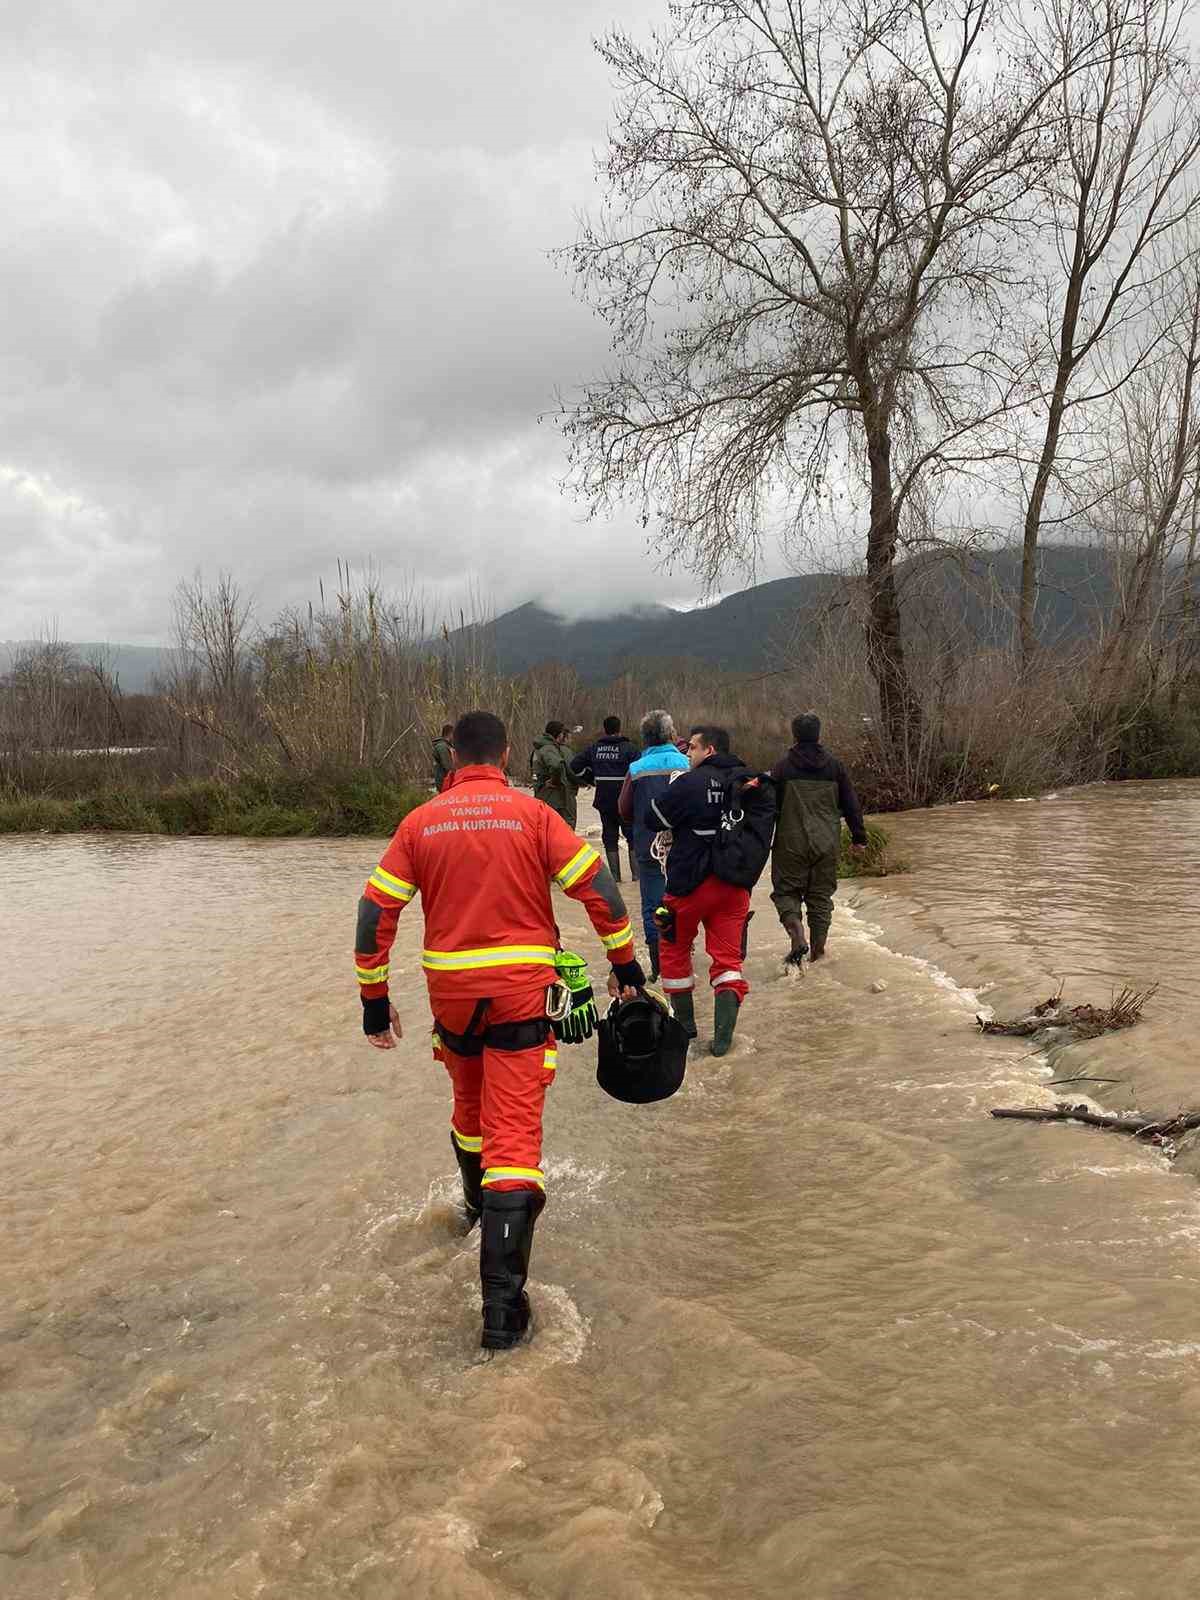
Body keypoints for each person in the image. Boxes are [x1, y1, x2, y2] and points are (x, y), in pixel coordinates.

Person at [354, 710, 644, 1352]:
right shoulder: (534, 815)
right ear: (508, 753)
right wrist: (625, 965)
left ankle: (474, 1209)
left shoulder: (420, 822)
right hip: (518, 993)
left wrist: (375, 1001)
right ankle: (503, 1314)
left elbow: (376, 909)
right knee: (514, 1139)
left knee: (468, 1108)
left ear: (452, 756)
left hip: (452, 996)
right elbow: (599, 889)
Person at [644, 724, 759, 1056]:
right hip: (734, 886)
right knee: (728, 961)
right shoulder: (748, 782)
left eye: (692, 748)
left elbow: (655, 819)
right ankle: (722, 1042)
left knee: (674, 951)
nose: (687, 753)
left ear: (709, 750)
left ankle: (686, 1029)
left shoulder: (690, 782)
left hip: (688, 885)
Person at [769, 712, 867, 965]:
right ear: (819, 734)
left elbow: (768, 809)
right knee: (820, 898)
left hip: (791, 843)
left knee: (786, 893)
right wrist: (859, 838)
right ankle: (818, 952)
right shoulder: (835, 767)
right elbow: (851, 805)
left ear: (794, 734)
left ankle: (797, 935)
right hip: (827, 843)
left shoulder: (782, 768)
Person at [618, 710, 689, 982]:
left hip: (648, 846)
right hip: (684, 848)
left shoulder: (636, 769)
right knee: (682, 903)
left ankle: (660, 967)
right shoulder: (686, 763)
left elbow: (623, 809)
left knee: (652, 906)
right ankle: (682, 959)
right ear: (671, 734)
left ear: (644, 738)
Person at [570, 715, 640, 882]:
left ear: (605, 729)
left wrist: (590, 778)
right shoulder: (629, 748)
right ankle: (637, 878)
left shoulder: (594, 748)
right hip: (626, 800)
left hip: (604, 800)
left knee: (609, 837)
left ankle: (615, 878)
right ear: (619, 729)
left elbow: (574, 765)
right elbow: (639, 770)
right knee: (632, 837)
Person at [530, 720, 581, 826]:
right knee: (564, 830)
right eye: (563, 733)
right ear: (559, 734)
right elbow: (557, 765)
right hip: (556, 798)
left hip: (542, 795)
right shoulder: (549, 749)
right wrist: (556, 781)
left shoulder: (538, 749)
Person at [432, 724, 454, 792]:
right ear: (450, 733)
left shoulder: (447, 746)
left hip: (447, 781)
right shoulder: (442, 747)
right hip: (444, 782)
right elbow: (448, 766)